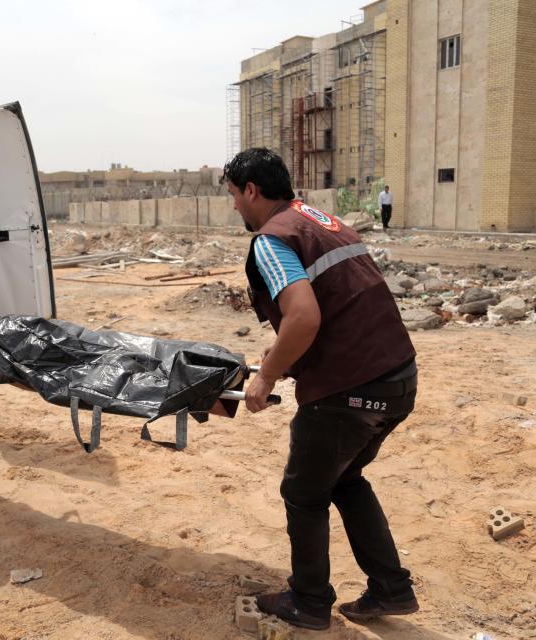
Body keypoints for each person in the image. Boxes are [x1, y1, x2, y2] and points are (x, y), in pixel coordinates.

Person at [222, 149, 419, 630]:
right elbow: (340, 305)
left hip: (349, 390)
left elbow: (305, 316)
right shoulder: (319, 219)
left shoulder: (271, 240)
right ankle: (390, 589)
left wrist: (267, 373)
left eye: (232, 196)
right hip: (397, 376)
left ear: (251, 190)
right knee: (344, 479)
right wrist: (285, 361)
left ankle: (308, 601)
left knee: (304, 492)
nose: (233, 207)